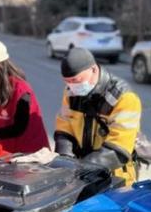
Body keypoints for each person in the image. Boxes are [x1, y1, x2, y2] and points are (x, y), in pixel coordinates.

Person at [54, 47, 142, 186]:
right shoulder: (71, 93)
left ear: (94, 70)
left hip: (115, 175)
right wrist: (65, 160)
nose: (71, 86)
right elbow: (64, 128)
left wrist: (82, 169)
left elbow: (118, 148)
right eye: (67, 81)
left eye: (76, 80)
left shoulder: (124, 97)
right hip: (81, 172)